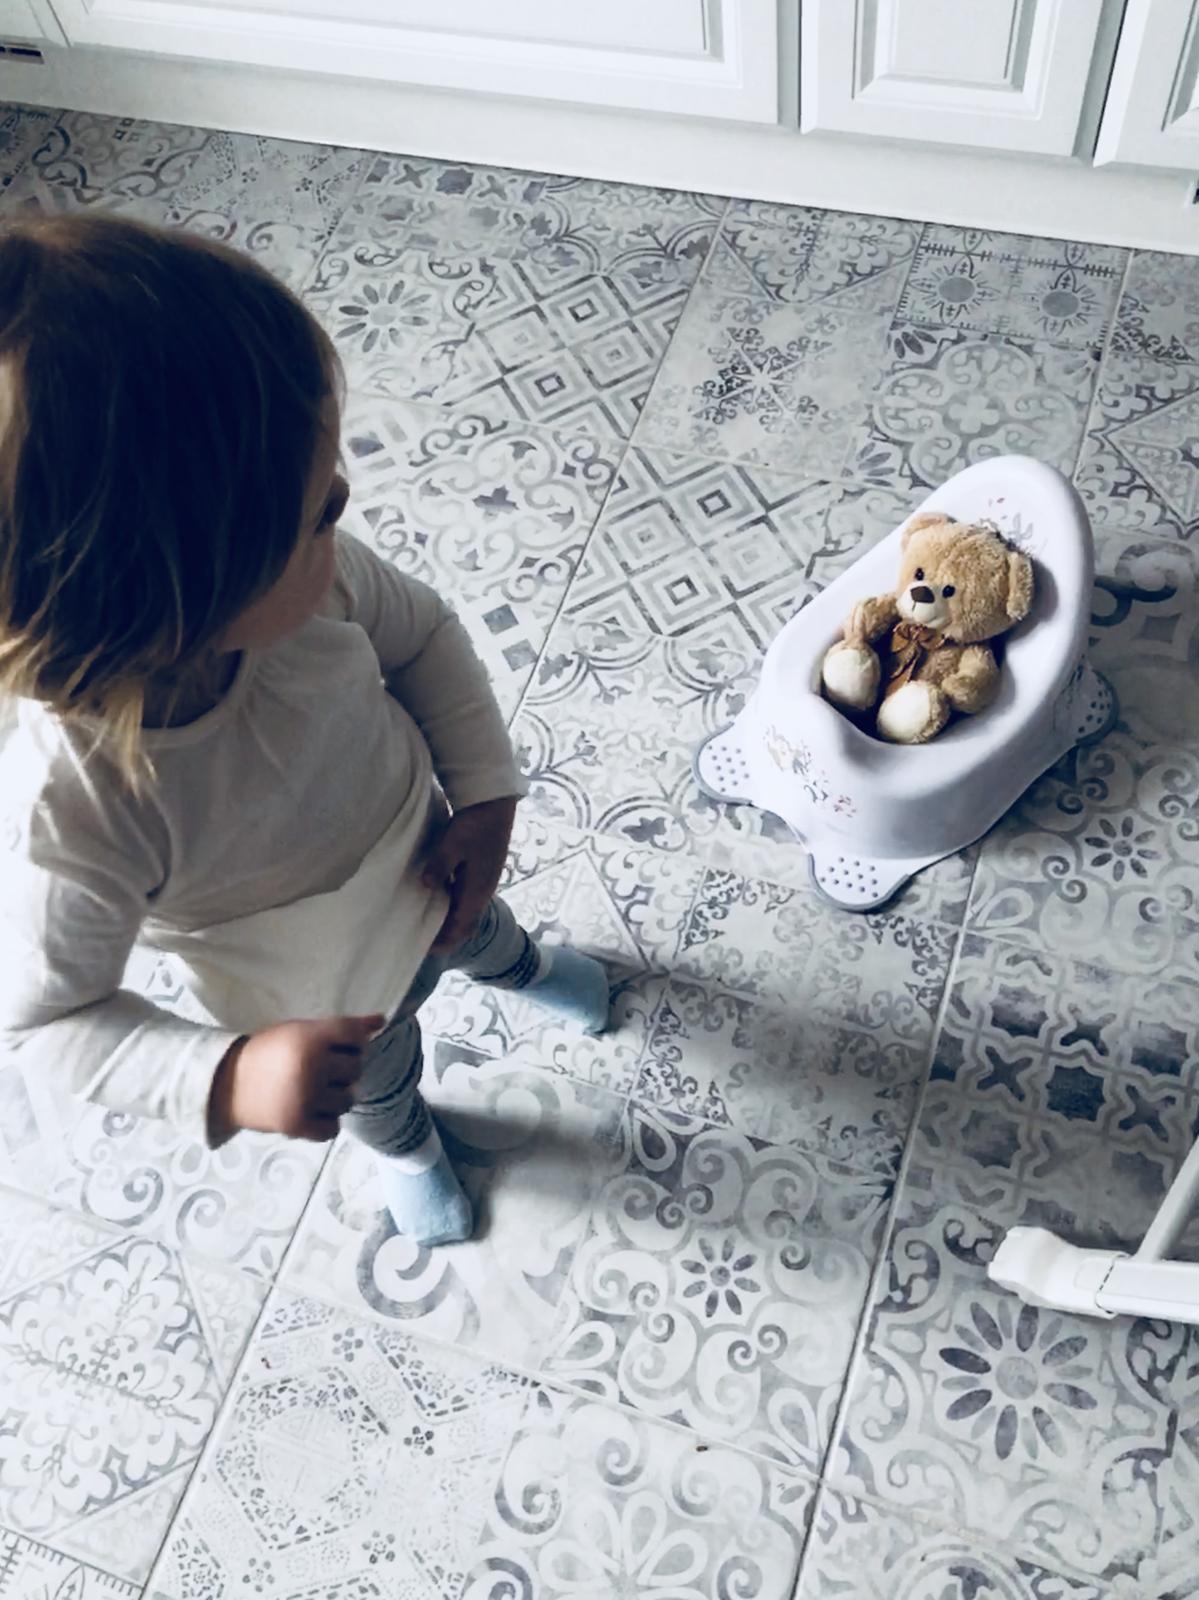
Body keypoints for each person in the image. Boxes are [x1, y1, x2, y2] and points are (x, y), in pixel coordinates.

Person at [0, 213, 609, 1248]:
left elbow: (425, 637)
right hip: (327, 998)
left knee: (486, 935)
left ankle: (526, 970)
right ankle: (408, 1152)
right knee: (381, 1089)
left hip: (433, 866)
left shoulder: (320, 591)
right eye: (317, 512)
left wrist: (486, 793)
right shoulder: (74, 810)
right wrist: (229, 1074)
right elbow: (50, 1021)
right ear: (183, 594)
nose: (345, 501)